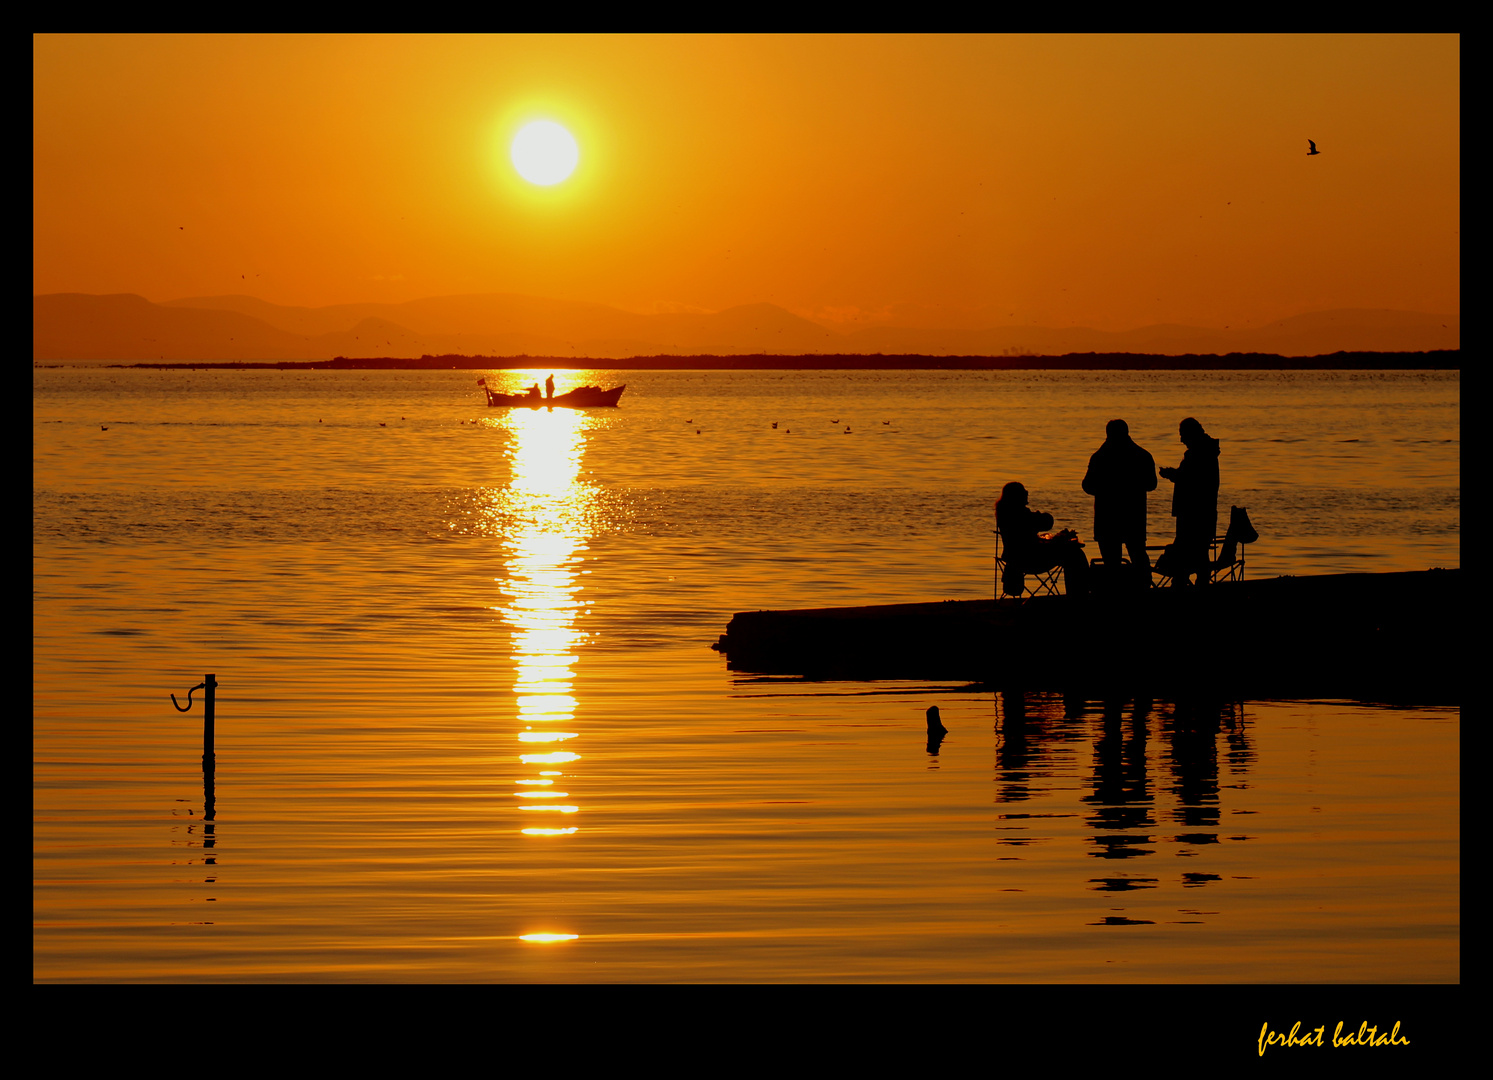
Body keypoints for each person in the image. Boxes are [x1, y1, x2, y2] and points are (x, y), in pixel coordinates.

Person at [1081, 419, 1157, 587]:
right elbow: (1152, 484)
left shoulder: (1100, 456)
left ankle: (1114, 593)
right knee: (1138, 556)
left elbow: (1087, 486)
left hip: (1107, 518)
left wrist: (1105, 488)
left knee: (1112, 563)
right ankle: (1144, 590)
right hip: (1134, 516)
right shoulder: (1143, 455)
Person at [995, 481, 1089, 597]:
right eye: (1024, 491)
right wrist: (1039, 517)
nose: (1027, 493)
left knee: (1072, 553)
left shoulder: (1005, 513)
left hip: (1014, 558)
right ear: (1017, 496)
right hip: (1031, 559)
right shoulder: (1021, 515)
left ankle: (1078, 593)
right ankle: (1078, 594)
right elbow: (1047, 523)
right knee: (1075, 554)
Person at [1158, 417, 1220, 585]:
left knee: (1189, 551)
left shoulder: (1197, 453)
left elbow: (1190, 479)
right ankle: (1196, 584)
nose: (1181, 439)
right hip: (1204, 511)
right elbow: (1191, 477)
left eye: (1182, 435)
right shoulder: (1205, 451)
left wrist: (1171, 474)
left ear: (1191, 434)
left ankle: (1183, 585)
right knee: (1199, 552)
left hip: (1193, 512)